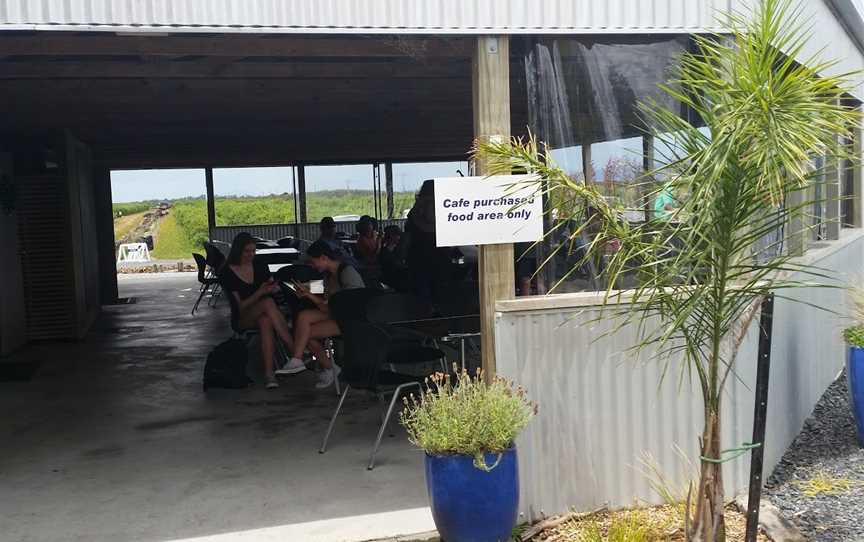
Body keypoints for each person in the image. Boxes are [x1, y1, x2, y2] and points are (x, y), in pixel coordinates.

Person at [278, 240, 365, 389]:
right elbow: (328, 306)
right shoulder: (329, 276)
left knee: (304, 333)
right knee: (304, 320)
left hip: (353, 319)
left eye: (313, 261)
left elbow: (352, 304)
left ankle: (321, 365)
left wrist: (309, 295)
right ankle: (300, 359)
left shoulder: (347, 272)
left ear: (324, 258)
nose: (312, 266)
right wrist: (308, 294)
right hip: (338, 314)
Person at [220, 233, 301, 390]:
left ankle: (269, 374)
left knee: (265, 320)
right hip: (243, 316)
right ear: (237, 251)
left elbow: (271, 284)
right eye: (247, 252)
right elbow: (240, 307)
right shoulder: (227, 272)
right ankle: (294, 350)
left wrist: (274, 287)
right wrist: (261, 292)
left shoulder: (259, 264)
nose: (251, 255)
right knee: (267, 302)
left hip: (264, 312)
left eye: (253, 251)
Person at [380, 224, 410, 291]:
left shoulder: (396, 248)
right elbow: (394, 265)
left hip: (397, 276)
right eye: (397, 235)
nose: (399, 237)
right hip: (393, 278)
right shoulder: (386, 251)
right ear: (392, 236)